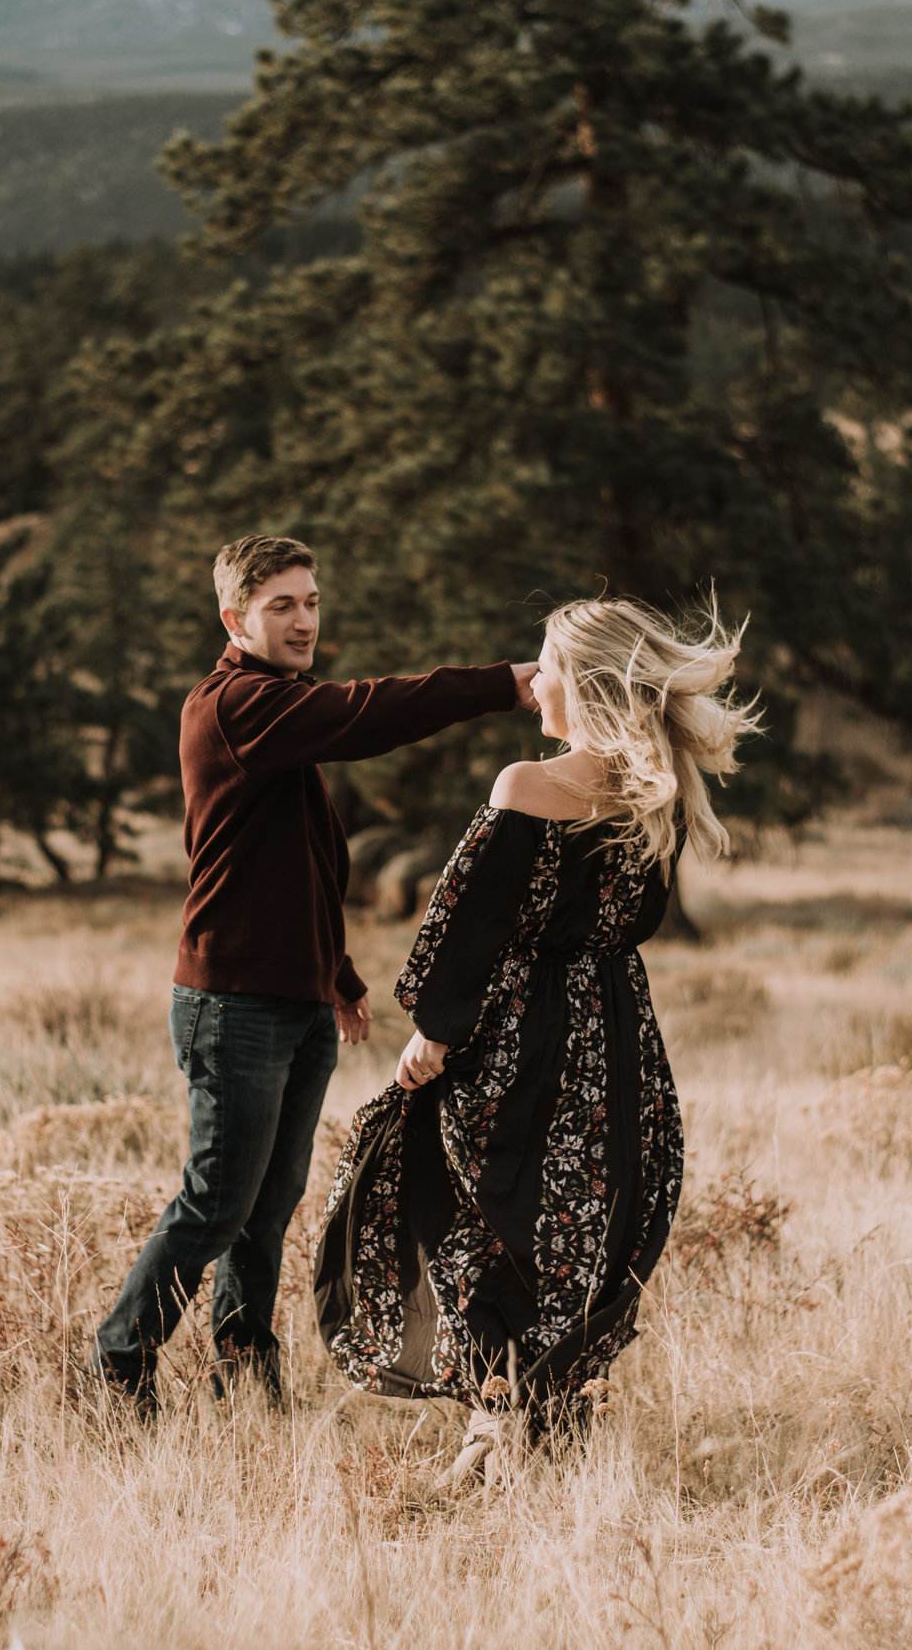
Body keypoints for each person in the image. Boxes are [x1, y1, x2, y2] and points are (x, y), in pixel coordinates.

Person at [89, 533, 541, 1414]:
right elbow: (370, 710)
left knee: (267, 1205)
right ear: (234, 618)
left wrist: (333, 970)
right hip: (232, 1002)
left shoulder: (278, 712)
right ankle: (118, 1360)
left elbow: (295, 859)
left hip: (291, 1000)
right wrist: (499, 683)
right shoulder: (234, 705)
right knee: (219, 1200)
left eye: (312, 601)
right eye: (281, 606)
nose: (304, 621)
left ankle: (245, 1375)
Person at [312, 594, 758, 1474]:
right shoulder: (653, 794)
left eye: (546, 663)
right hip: (615, 1033)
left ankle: (497, 1420)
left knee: (470, 1208)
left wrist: (433, 1032)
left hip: (517, 1040)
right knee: (579, 1227)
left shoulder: (527, 785)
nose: (534, 680)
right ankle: (524, 1424)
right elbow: (641, 918)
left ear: (586, 685)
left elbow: (465, 920)